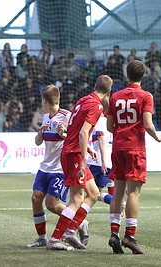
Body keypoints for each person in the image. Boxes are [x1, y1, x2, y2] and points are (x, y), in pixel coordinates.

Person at [46, 75, 113, 251]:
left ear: (94, 85)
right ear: (109, 92)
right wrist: (84, 160)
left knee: (93, 194)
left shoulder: (83, 100)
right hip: (74, 155)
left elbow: (75, 128)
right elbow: (83, 133)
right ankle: (55, 238)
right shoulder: (97, 106)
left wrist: (88, 149)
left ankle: (71, 230)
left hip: (72, 151)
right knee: (77, 198)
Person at [106, 60, 161, 254]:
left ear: (127, 75)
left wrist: (121, 131)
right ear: (143, 76)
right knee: (134, 193)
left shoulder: (115, 96)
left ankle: (114, 234)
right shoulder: (146, 96)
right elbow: (147, 124)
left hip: (118, 147)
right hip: (135, 149)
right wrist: (157, 137)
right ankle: (129, 236)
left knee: (118, 193)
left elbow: (109, 127)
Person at [26, 84, 71, 247]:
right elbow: (38, 142)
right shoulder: (46, 117)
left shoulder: (67, 116)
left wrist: (63, 134)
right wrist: (40, 132)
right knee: (35, 199)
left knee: (51, 205)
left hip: (59, 169)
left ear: (45, 100)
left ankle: (78, 222)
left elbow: (74, 141)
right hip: (45, 167)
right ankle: (41, 238)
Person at [87, 97, 115, 206]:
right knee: (96, 193)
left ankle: (73, 214)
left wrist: (102, 161)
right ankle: (119, 204)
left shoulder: (99, 122)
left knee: (82, 188)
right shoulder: (111, 123)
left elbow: (101, 140)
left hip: (97, 162)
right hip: (108, 163)